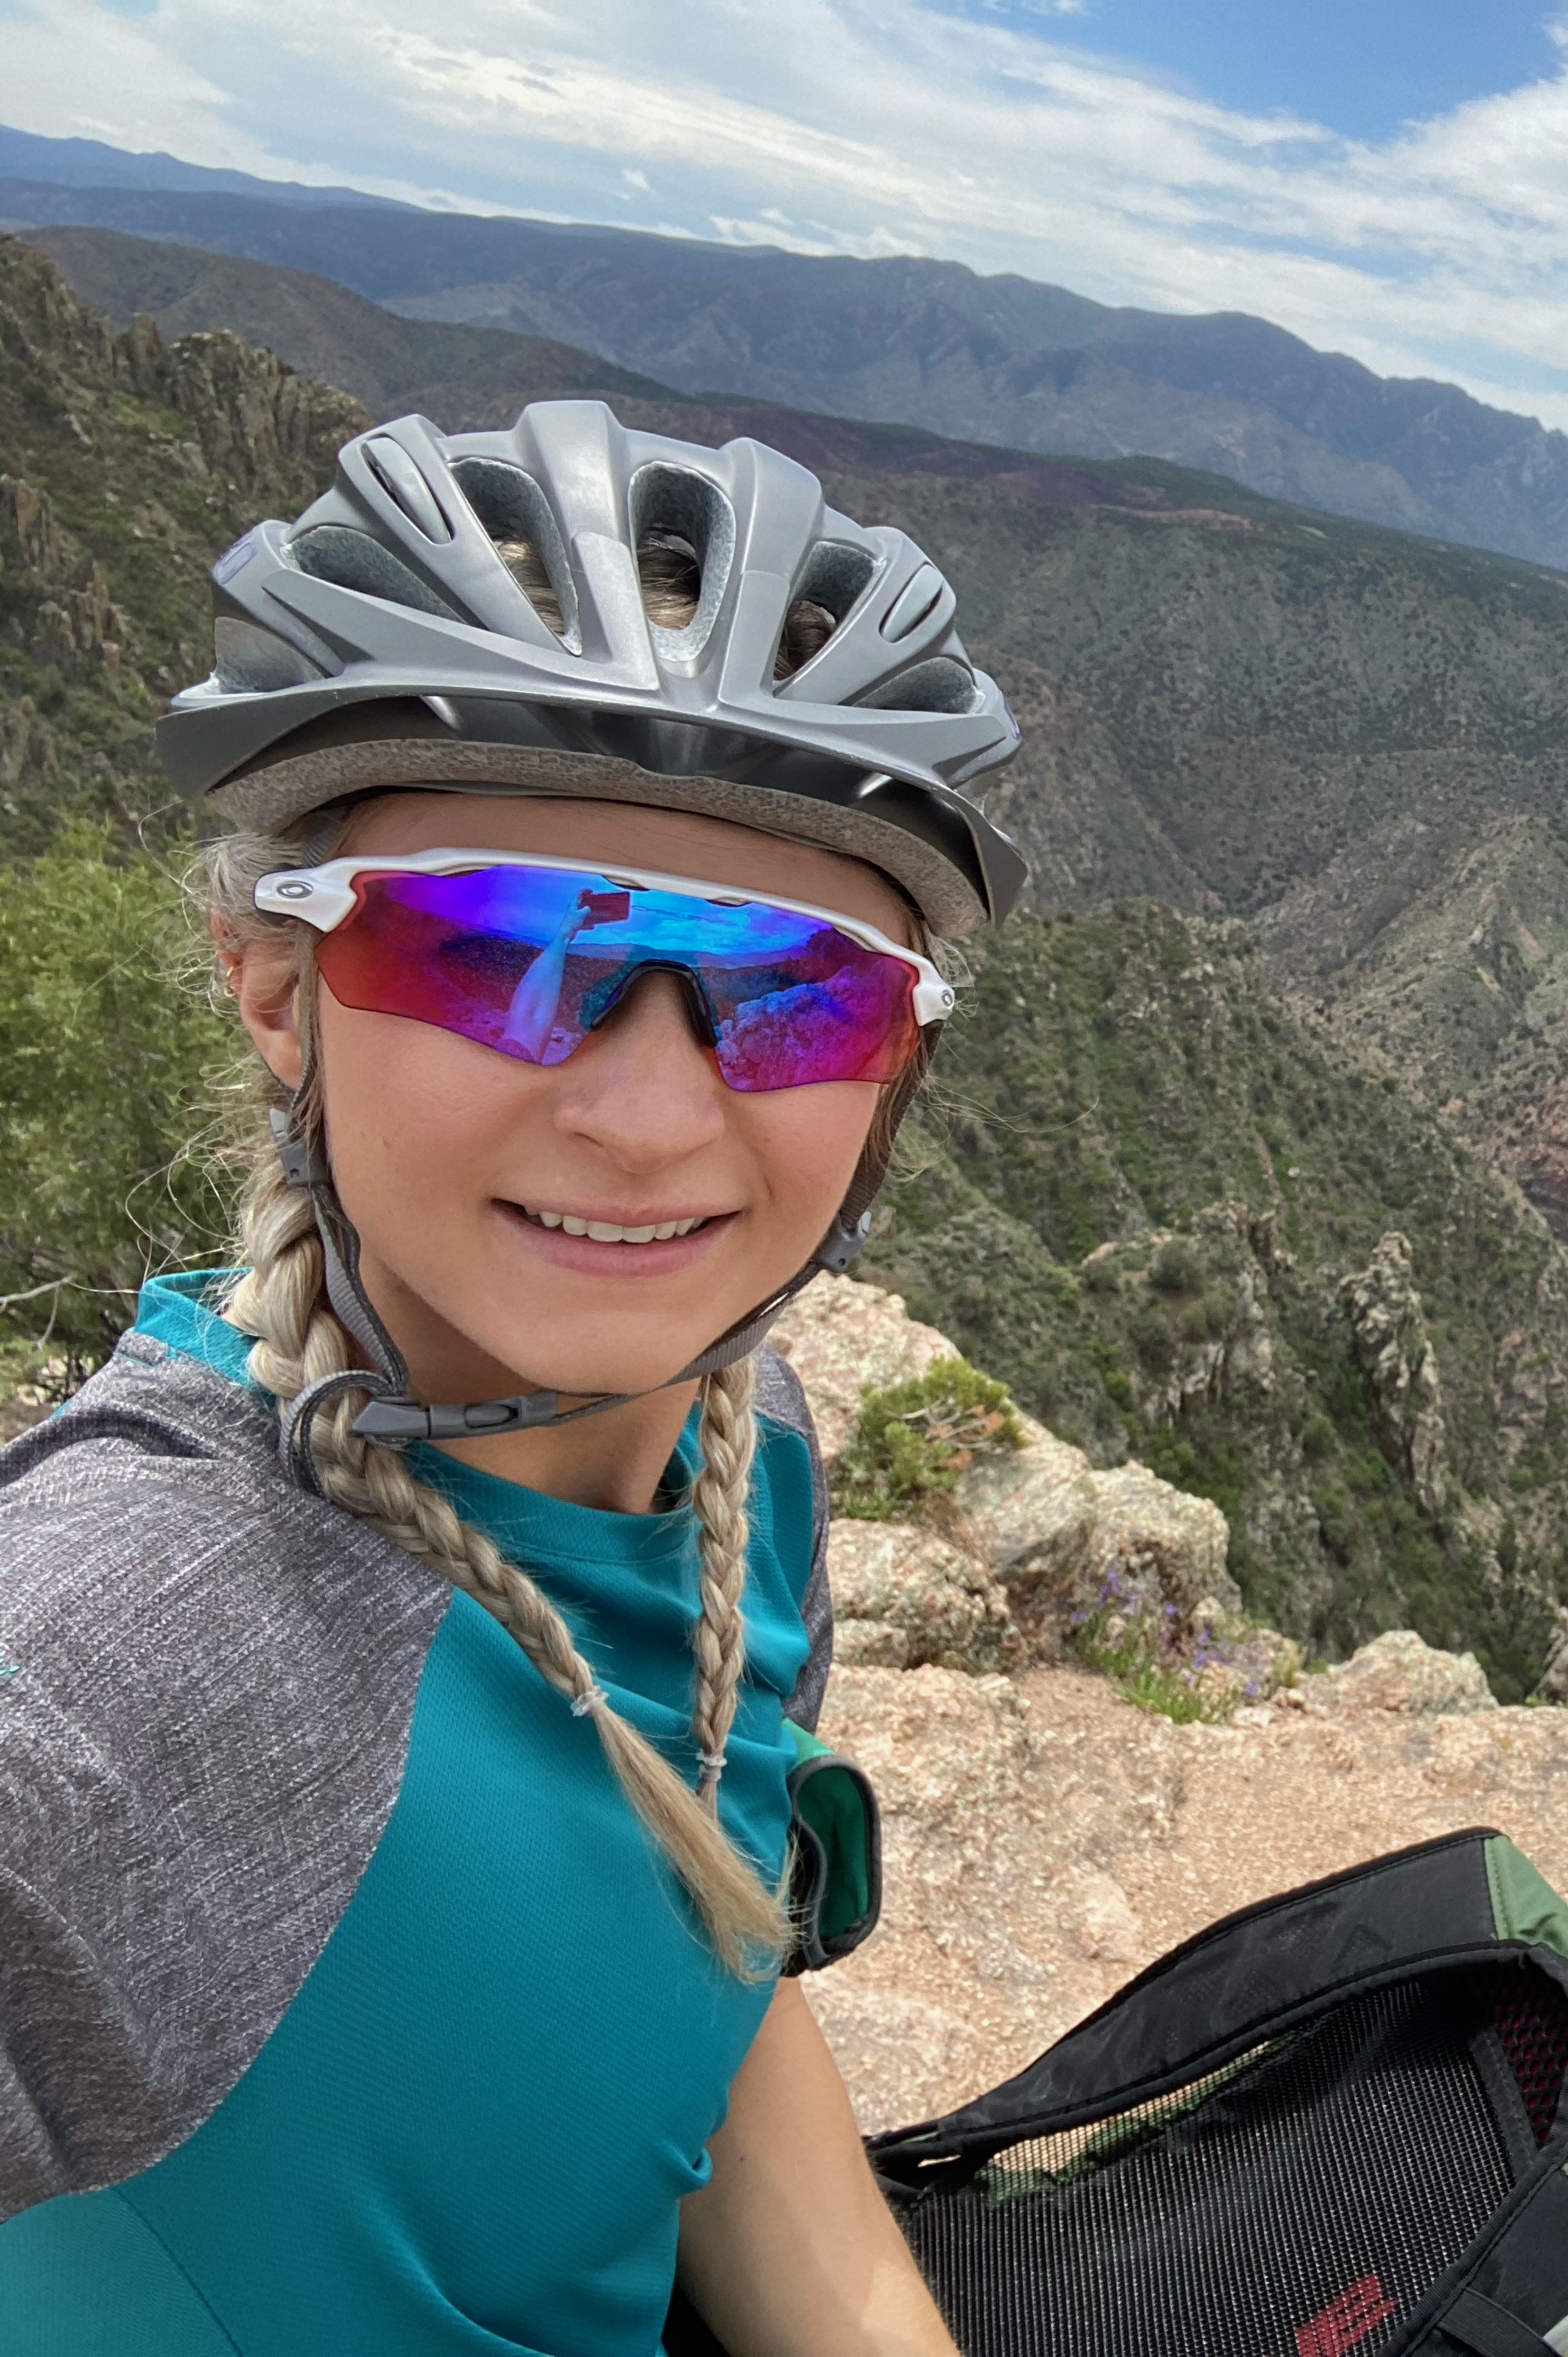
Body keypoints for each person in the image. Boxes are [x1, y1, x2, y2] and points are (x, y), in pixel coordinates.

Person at [0, 402, 1026, 2354]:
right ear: (275, 983)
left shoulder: (741, 1450)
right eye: (493, 948)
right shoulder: (141, 1658)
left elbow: (689, 1965)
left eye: (794, 990)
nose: (648, 1119)